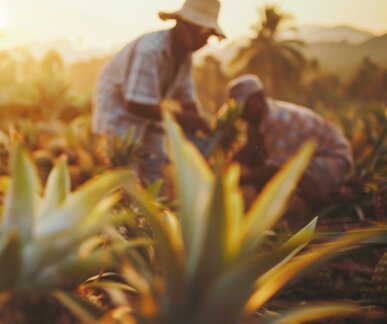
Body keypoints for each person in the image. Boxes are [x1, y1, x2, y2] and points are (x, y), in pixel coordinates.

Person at [92, 0, 225, 194]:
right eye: (204, 34)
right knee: (125, 177)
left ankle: (153, 218)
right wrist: (185, 120)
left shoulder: (183, 57)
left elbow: (187, 100)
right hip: (119, 114)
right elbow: (135, 103)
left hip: (150, 116)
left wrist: (203, 128)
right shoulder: (150, 50)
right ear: (183, 25)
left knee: (156, 169)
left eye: (209, 36)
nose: (205, 42)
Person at [228, 74, 353, 210]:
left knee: (293, 170)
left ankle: (330, 211)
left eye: (244, 106)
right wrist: (226, 165)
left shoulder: (279, 120)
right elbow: (249, 149)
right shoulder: (256, 121)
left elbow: (277, 166)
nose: (241, 113)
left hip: (334, 160)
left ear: (258, 98)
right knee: (256, 157)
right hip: (314, 160)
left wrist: (236, 180)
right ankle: (266, 209)